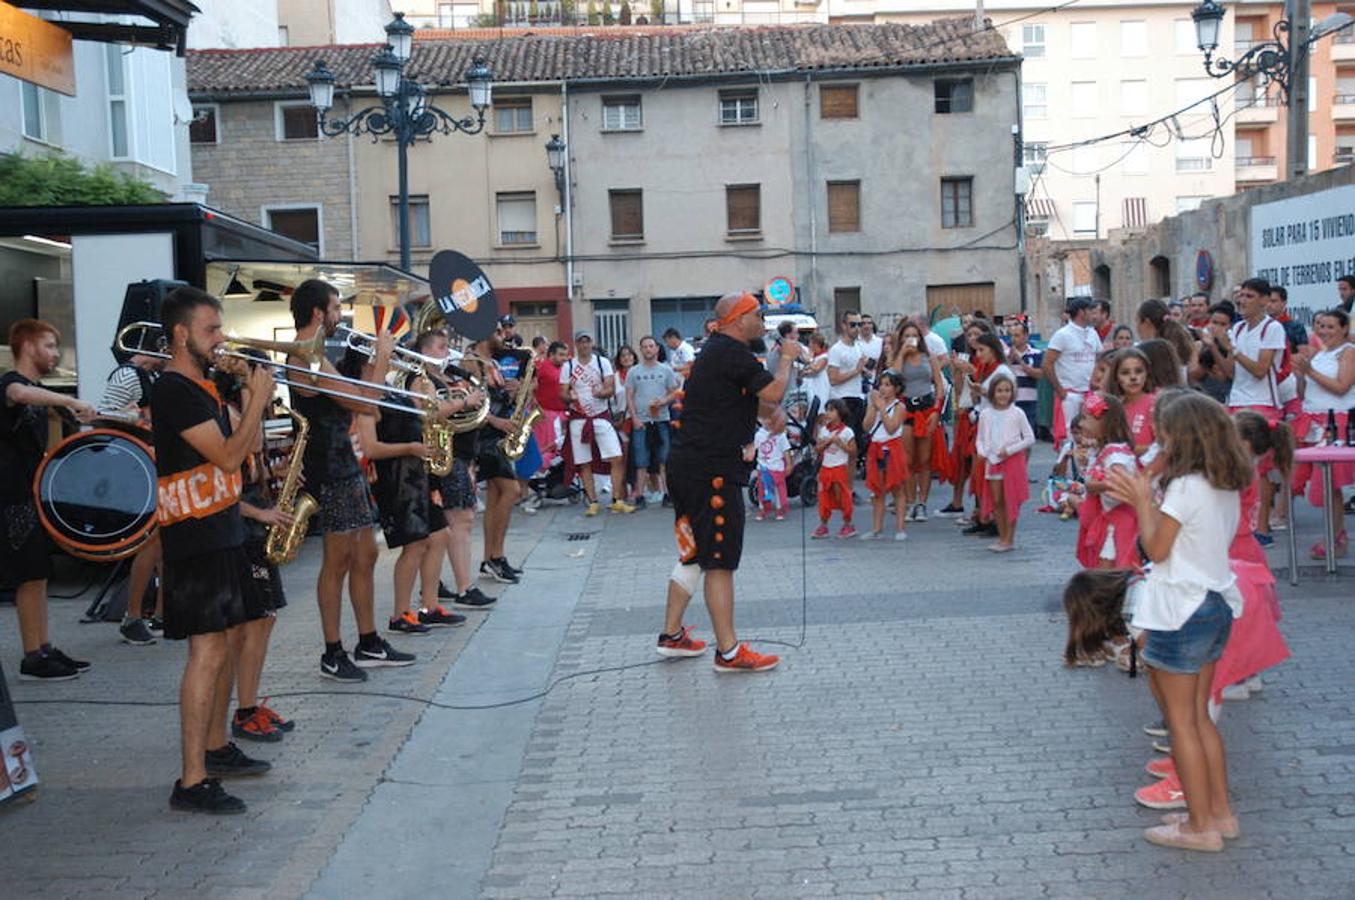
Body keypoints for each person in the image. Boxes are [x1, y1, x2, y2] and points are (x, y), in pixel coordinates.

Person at [1105, 392, 1253, 852]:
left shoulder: (1187, 488)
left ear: (1180, 437)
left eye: (1163, 433)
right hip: (1213, 603)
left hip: (1181, 610)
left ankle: (1199, 826)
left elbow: (1156, 549)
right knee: (1202, 719)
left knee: (1181, 724)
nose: (1157, 439)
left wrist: (1143, 500)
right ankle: (1218, 813)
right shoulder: (1222, 481)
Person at [151, 287, 275, 814]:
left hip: (221, 527)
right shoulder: (173, 390)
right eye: (210, 329)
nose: (220, 338)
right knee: (205, 653)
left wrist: (248, 398)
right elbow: (227, 457)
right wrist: (260, 402)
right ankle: (191, 779)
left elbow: (244, 454)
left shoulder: (202, 386)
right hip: (195, 537)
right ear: (181, 335)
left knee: (224, 644)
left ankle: (216, 746)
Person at [656, 291, 801, 672]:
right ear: (739, 319)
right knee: (719, 561)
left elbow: (750, 399)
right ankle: (729, 652)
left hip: (688, 466)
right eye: (757, 315)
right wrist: (786, 359)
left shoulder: (717, 352)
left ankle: (672, 636)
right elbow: (772, 390)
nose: (762, 322)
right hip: (711, 472)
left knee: (694, 554)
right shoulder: (733, 352)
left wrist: (771, 412)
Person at [288, 279, 412, 682]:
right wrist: (380, 358)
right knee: (337, 562)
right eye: (336, 309)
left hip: (345, 466)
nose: (340, 317)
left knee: (365, 555)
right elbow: (365, 404)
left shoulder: (319, 354)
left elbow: (360, 402)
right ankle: (332, 651)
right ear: (317, 313)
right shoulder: (307, 357)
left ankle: (369, 640)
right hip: (330, 469)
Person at [1, 319, 97, 681]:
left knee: (39, 576)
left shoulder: (39, 392)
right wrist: (68, 399)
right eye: (49, 346)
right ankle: (33, 655)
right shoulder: (11, 384)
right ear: (28, 347)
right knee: (29, 577)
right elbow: (20, 396)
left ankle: (43, 647)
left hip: (30, 496)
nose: (55, 354)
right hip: (12, 499)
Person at [222, 374, 296, 744]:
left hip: (252, 523)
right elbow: (222, 483)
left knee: (263, 620)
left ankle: (250, 704)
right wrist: (259, 513)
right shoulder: (229, 414)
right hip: (241, 527)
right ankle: (244, 710)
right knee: (252, 621)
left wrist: (279, 473)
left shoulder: (241, 413)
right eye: (258, 380)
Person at [418, 330, 496, 612]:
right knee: (458, 523)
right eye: (441, 347)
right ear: (425, 351)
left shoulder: (440, 379)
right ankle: (465, 587)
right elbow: (431, 414)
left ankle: (446, 585)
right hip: (445, 458)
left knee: (460, 522)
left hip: (457, 457)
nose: (447, 352)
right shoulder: (422, 380)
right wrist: (464, 401)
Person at [99, 350, 166, 645]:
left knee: (161, 541)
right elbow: (103, 419)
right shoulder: (128, 375)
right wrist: (140, 421)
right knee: (151, 541)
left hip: (149, 463)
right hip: (138, 466)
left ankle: (161, 613)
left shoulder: (150, 375)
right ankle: (133, 616)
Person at [1217, 278, 1287, 545]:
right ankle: (1243, 524)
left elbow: (1260, 370)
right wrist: (1216, 345)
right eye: (1241, 295)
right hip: (1237, 401)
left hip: (1263, 404)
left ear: (1263, 300)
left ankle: (1263, 527)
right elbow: (1231, 372)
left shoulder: (1273, 328)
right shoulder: (1238, 328)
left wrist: (1232, 349)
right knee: (1239, 467)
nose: (1242, 300)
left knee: (1262, 470)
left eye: (1248, 296)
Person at [467, 323, 533, 580]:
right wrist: (498, 422)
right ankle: (497, 556)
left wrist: (513, 390)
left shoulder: (490, 361)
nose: (502, 337)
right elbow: (474, 406)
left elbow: (492, 398)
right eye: (496, 333)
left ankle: (489, 558)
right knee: (512, 490)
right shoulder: (471, 362)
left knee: (496, 496)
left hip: (498, 434)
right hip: (486, 437)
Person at [1291, 308, 1354, 558]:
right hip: (1312, 420)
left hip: (1334, 421)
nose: (1324, 331)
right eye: (1321, 326)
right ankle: (1334, 535)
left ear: (1343, 329)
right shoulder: (1321, 354)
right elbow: (1304, 393)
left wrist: (1309, 371)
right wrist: (1300, 376)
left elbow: (1341, 387)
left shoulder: (1348, 353)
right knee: (1315, 483)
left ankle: (1337, 537)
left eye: (1330, 327)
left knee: (1329, 484)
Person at [562, 331, 636, 516]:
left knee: (616, 456)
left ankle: (616, 499)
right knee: (584, 461)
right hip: (579, 416)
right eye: (581, 342)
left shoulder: (602, 363)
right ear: (576, 344)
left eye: (587, 341)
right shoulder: (568, 366)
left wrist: (601, 393)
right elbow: (561, 392)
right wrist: (568, 397)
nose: (584, 345)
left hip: (600, 415)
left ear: (591, 343)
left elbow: (610, 388)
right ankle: (593, 501)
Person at [888, 319, 948, 521]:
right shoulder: (897, 357)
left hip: (926, 407)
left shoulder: (928, 356)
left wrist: (937, 410)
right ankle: (910, 501)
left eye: (914, 335)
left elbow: (939, 384)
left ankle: (922, 503)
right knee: (908, 459)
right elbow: (892, 377)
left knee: (924, 459)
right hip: (906, 409)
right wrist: (902, 353)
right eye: (906, 336)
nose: (910, 339)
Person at [1075, 393, 1140, 570]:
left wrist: (1093, 486)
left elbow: (1120, 486)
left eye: (1085, 418)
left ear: (1104, 422)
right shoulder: (1105, 450)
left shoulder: (1115, 456)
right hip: (1109, 519)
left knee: (1108, 567)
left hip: (1117, 522)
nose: (1080, 424)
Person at [976, 374, 1035, 553]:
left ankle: (1009, 539)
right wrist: (982, 452)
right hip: (992, 462)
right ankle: (1002, 537)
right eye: (1000, 391)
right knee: (997, 501)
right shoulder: (985, 414)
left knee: (1011, 500)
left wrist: (1009, 450)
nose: (1004, 395)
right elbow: (980, 439)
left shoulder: (1017, 413)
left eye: (1007, 391)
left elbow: (1029, 438)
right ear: (993, 392)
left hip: (1012, 462)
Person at [627, 335, 681, 506]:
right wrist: (634, 418)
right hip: (641, 422)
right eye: (645, 346)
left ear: (657, 348)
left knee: (664, 459)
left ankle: (668, 495)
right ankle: (639, 495)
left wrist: (664, 401)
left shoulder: (666, 370)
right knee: (641, 461)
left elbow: (674, 392)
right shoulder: (634, 372)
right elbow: (629, 396)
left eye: (651, 346)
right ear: (641, 350)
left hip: (662, 421)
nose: (648, 349)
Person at [1043, 297, 1102, 452]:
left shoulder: (1093, 333)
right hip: (1070, 394)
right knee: (1069, 437)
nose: (1094, 315)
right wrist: (1060, 390)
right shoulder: (1062, 335)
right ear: (1081, 312)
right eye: (1091, 310)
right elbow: (1047, 364)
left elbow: (1099, 360)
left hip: (1090, 393)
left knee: (1090, 434)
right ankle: (1068, 471)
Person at [861, 371, 909, 541]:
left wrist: (882, 408)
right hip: (875, 447)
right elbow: (866, 426)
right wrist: (874, 407)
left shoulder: (899, 407)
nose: (883, 388)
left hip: (892, 448)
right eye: (881, 384)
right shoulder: (874, 403)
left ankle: (900, 527)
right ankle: (876, 528)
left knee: (897, 488)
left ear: (896, 389)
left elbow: (891, 428)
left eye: (888, 385)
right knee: (877, 490)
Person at [812, 399, 857, 539]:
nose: (828, 413)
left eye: (831, 410)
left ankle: (847, 523)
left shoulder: (847, 432)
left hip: (840, 467)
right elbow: (817, 449)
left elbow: (853, 451)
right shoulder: (824, 431)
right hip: (826, 467)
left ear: (840, 412)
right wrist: (826, 442)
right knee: (824, 496)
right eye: (827, 410)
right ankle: (823, 524)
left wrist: (840, 444)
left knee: (842, 495)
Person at [1102, 347, 1157, 458]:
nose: (1133, 377)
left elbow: (1165, 448)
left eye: (1138, 371)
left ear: (1147, 373)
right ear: (1116, 377)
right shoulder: (1110, 408)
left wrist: (1125, 449)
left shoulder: (1156, 404)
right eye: (1125, 373)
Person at [1136, 299, 1197, 383]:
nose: (1137, 327)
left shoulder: (1147, 351)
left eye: (1137, 321)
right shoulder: (1179, 343)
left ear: (1146, 322)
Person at [1005, 318, 1044, 439]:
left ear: (1026, 336)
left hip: (1029, 401)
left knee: (1028, 436)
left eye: (1017, 335)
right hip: (1010, 401)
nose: (1013, 339)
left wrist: (1020, 362)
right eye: (1012, 336)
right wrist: (1010, 361)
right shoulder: (1006, 354)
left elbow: (1039, 374)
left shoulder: (1036, 353)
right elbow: (1000, 374)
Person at [752, 415, 792, 522]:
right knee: (763, 489)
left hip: (777, 467)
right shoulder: (759, 435)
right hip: (763, 467)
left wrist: (788, 464)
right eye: (765, 418)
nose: (767, 421)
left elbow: (786, 450)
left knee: (778, 490)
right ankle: (763, 508)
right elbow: (753, 448)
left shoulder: (780, 435)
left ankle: (780, 509)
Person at [801, 333, 831, 416]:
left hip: (820, 385)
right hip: (812, 385)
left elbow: (817, 369)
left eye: (811, 343)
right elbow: (810, 371)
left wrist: (809, 360)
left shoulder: (824, 357)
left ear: (816, 344)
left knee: (820, 409)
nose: (809, 345)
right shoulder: (815, 356)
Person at [857, 314, 884, 393]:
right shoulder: (855, 343)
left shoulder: (880, 342)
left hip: (878, 382)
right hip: (859, 383)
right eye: (863, 323)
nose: (866, 326)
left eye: (869, 323)